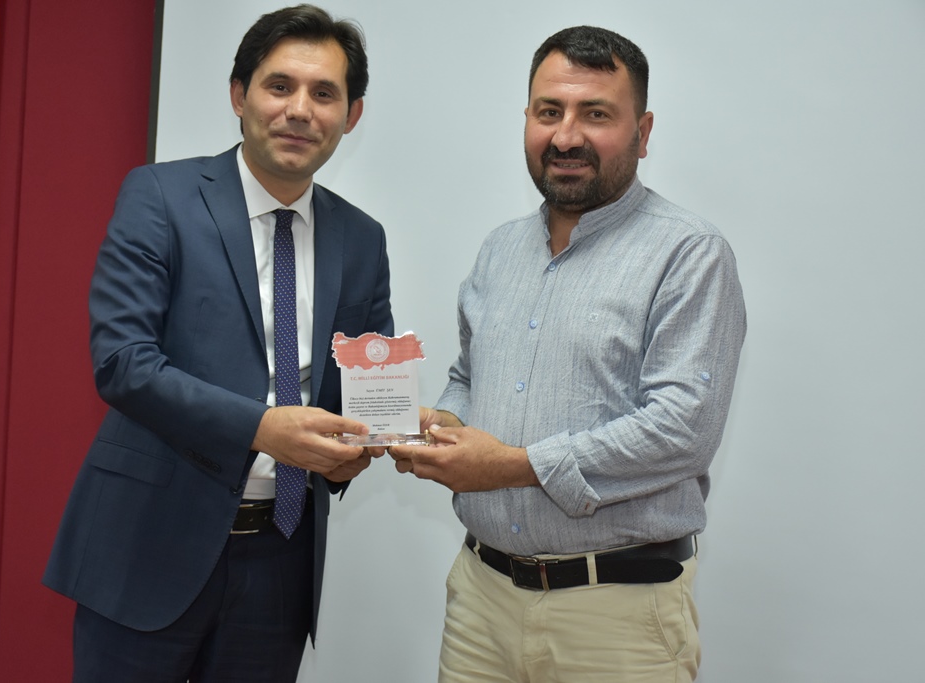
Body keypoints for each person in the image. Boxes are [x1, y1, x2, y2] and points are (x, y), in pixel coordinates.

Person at [43, 5, 392, 682]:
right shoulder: (160, 195)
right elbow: (123, 363)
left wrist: (370, 439)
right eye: (279, 86)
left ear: (351, 116)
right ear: (239, 95)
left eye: (324, 94)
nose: (300, 110)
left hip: (280, 562)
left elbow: (363, 386)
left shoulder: (362, 237)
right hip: (148, 543)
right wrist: (263, 428)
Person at [389, 25, 746, 682]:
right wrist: (447, 424)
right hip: (480, 600)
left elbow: (682, 430)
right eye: (549, 111)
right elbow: (468, 374)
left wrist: (510, 466)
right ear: (526, 119)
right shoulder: (499, 249)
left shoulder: (689, 253)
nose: (565, 136)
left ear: (642, 132)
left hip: (617, 617)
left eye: (596, 114)